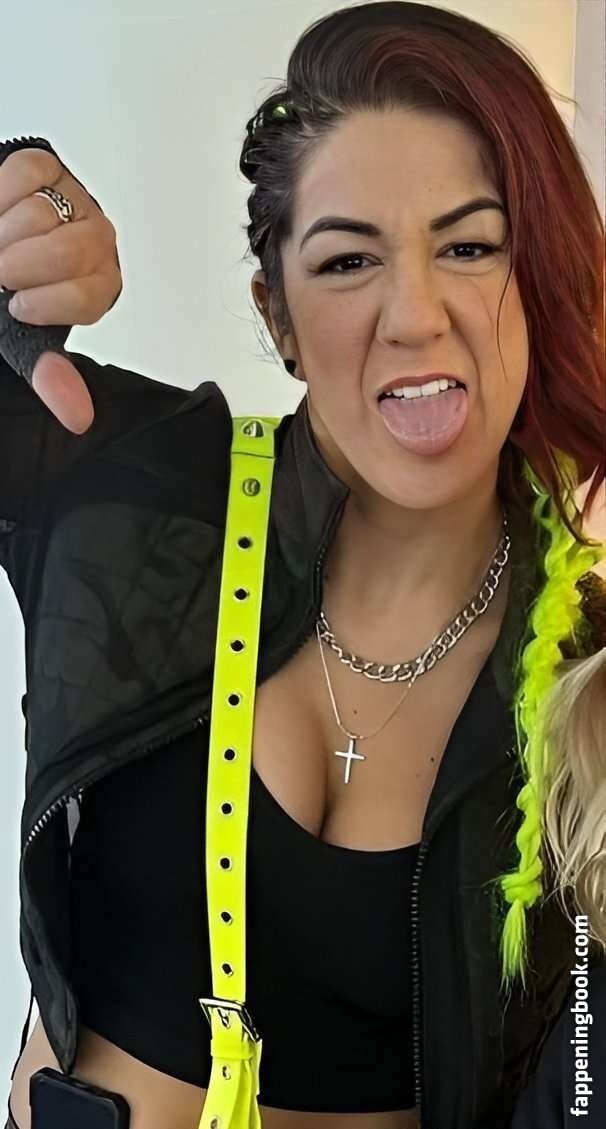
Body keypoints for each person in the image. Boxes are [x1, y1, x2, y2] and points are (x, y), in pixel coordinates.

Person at [1, 3, 605, 1128]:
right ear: (276, 314)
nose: (414, 315)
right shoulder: (139, 493)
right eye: (347, 260)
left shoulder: (586, 682)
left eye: (470, 246)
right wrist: (14, 206)